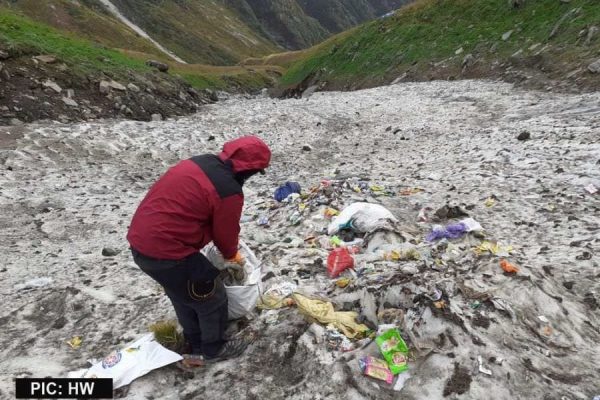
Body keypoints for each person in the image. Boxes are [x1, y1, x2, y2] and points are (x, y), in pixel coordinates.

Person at [127, 136, 271, 367]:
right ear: (249, 170)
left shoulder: (199, 163)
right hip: (168, 251)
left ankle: (194, 346)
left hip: (141, 244)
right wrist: (231, 255)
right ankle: (214, 349)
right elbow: (226, 232)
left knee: (183, 294)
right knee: (211, 295)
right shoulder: (228, 190)